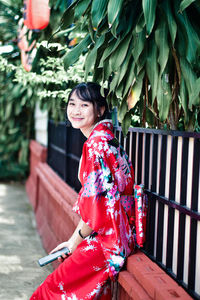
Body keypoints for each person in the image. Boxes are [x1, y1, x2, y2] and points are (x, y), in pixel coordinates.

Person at [30, 82, 135, 300]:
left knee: (48, 292)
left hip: (108, 239)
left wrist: (72, 242)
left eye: (84, 105)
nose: (75, 111)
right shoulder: (106, 139)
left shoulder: (96, 146)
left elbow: (98, 207)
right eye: (72, 103)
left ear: (100, 109)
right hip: (116, 234)